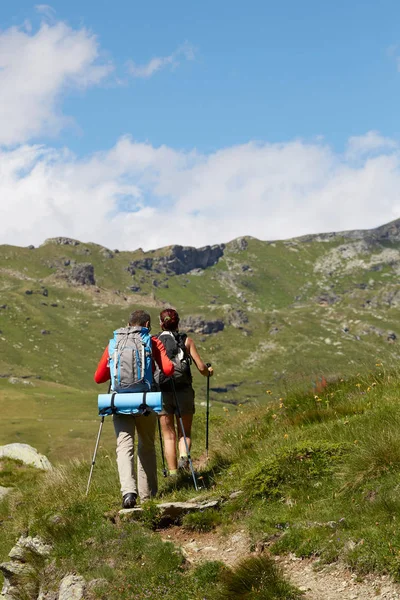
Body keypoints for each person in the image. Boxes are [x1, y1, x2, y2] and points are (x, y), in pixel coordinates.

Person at [94, 310, 174, 508]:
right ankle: (148, 497)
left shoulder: (114, 342)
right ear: (147, 324)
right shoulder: (152, 341)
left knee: (124, 445)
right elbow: (169, 370)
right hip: (145, 400)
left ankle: (128, 493)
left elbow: (98, 377)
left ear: (128, 324)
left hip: (119, 402)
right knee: (146, 444)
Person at [156, 308, 213, 476]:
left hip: (162, 392)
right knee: (184, 432)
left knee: (168, 436)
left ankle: (173, 474)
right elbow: (201, 368)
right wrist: (209, 372)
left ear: (161, 323)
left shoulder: (154, 342)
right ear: (178, 323)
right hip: (184, 391)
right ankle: (183, 456)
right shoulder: (186, 341)